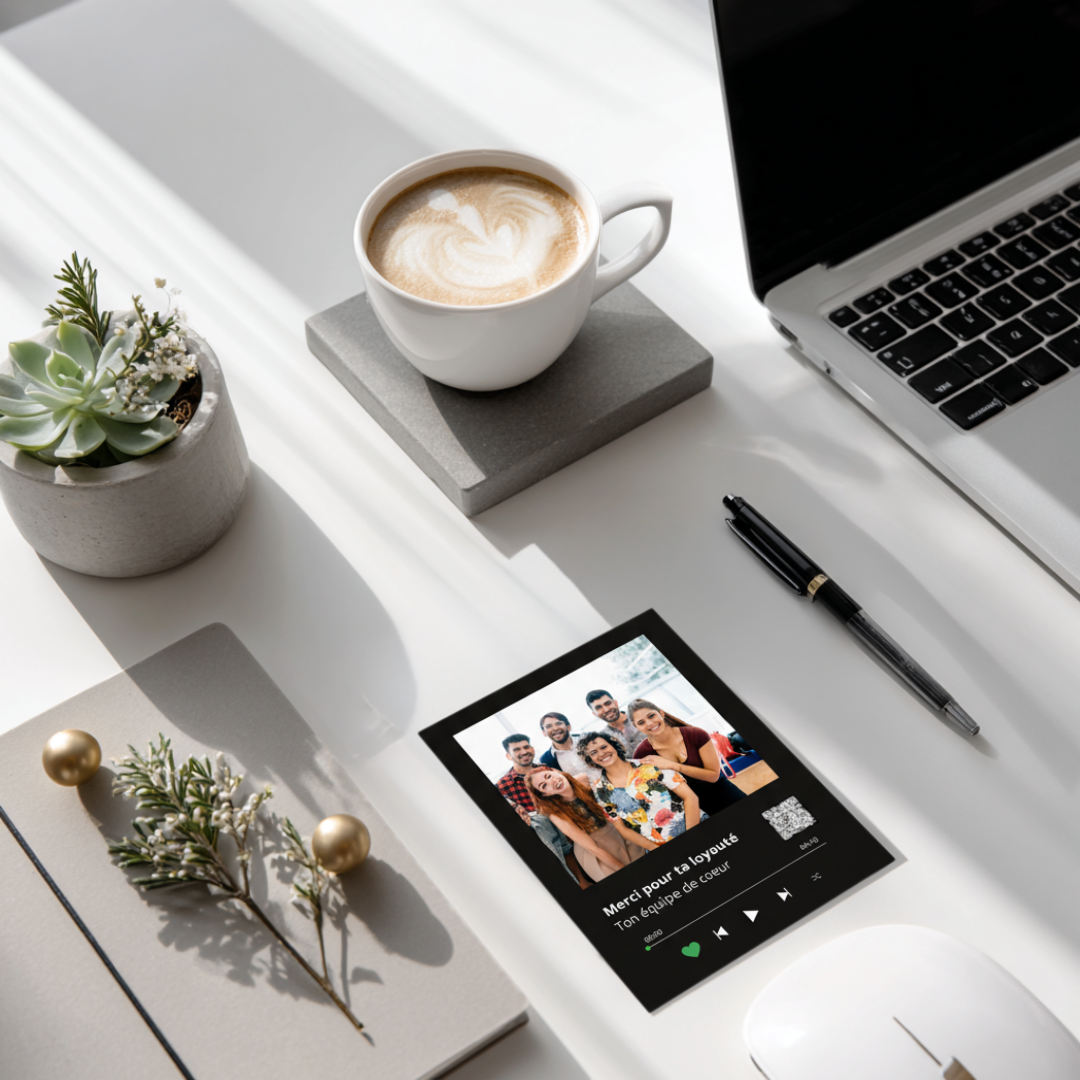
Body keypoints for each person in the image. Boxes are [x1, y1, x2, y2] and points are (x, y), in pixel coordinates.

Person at [577, 730, 700, 847]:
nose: (601, 753)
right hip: (658, 846)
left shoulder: (651, 765)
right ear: (589, 759)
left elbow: (690, 797)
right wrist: (654, 849)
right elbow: (622, 829)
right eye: (593, 752)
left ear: (614, 745)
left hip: (694, 830)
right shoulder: (600, 791)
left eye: (604, 747)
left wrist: (691, 837)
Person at [625, 698, 746, 816]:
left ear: (661, 713)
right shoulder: (642, 754)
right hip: (693, 813)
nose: (650, 723)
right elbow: (650, 792)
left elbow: (713, 776)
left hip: (728, 795)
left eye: (651, 716)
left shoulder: (696, 734)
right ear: (637, 727)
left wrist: (673, 766)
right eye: (641, 722)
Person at [526, 768, 646, 883]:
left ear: (556, 772)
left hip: (617, 829)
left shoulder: (584, 780)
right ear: (545, 795)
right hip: (596, 848)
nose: (551, 781)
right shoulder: (556, 814)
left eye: (549, 776)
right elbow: (593, 849)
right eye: (544, 786)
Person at [496, 733, 584, 884]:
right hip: (543, 838)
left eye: (526, 747)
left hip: (567, 825)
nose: (524, 752)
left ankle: (583, 882)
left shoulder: (545, 769)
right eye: (517, 749)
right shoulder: (502, 786)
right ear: (508, 756)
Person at [585, 688, 646, 756]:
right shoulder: (603, 738)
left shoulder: (639, 716)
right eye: (598, 707)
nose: (606, 709)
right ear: (594, 714)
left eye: (608, 703)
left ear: (616, 703)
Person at [537, 711, 597, 780]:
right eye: (549, 726)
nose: (555, 728)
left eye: (559, 723)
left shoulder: (589, 741)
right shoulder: (546, 760)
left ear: (568, 727)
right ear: (544, 733)